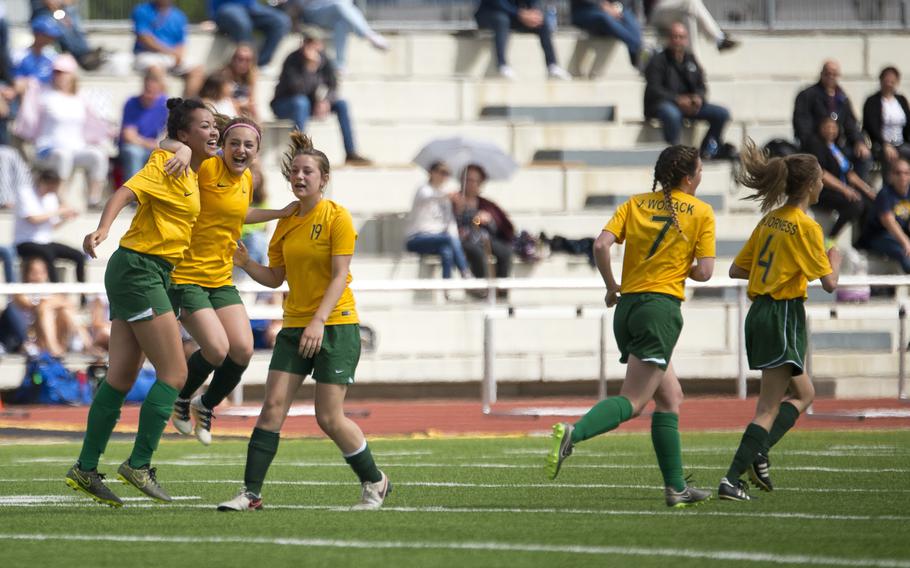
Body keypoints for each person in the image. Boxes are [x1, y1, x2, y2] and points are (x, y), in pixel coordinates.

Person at [218, 131, 390, 512]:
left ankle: (375, 481)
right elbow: (276, 278)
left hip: (335, 326)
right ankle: (250, 493)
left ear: (323, 178)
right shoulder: (285, 222)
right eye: (294, 171)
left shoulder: (337, 217)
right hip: (296, 326)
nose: (299, 177)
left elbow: (338, 276)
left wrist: (317, 322)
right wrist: (247, 264)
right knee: (272, 407)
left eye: (307, 171)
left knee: (329, 417)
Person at [64, 98, 219, 508]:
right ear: (184, 135)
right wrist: (102, 229)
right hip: (139, 270)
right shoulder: (171, 163)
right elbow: (126, 190)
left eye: (214, 125)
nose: (214, 131)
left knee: (121, 377)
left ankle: (85, 467)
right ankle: (139, 464)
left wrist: (180, 146)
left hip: (147, 272)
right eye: (205, 126)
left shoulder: (190, 166)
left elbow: (176, 148)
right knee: (174, 372)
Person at [545, 144, 715, 508]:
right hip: (660, 309)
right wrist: (679, 264)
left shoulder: (635, 204)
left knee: (670, 397)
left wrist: (611, 285)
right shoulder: (701, 212)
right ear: (688, 177)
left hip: (628, 308)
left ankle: (676, 488)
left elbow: (601, 245)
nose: (702, 177)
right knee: (635, 401)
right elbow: (705, 271)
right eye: (700, 171)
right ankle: (574, 433)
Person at [159, 116, 295, 446]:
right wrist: (183, 151)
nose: (241, 150)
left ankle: (204, 404)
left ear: (257, 152)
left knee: (243, 350)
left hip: (220, 278)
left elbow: (239, 213)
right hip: (186, 278)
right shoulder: (206, 166)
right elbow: (164, 145)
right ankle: (182, 397)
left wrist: (279, 213)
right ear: (223, 146)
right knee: (217, 349)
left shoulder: (246, 177)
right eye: (234, 143)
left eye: (249, 145)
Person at [718, 139, 841, 501]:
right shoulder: (806, 227)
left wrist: (777, 271)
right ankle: (731, 478)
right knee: (768, 407)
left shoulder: (771, 219)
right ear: (808, 185)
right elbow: (830, 284)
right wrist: (834, 258)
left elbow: (737, 268)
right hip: (782, 313)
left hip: (760, 313)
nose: (823, 184)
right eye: (820, 179)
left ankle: (758, 451)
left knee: (804, 393)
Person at [13, 54, 112, 208]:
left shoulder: (80, 97)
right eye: (56, 72)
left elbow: (94, 121)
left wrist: (106, 131)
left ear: (72, 75)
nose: (58, 75)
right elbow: (28, 118)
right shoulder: (42, 93)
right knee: (63, 156)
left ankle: (94, 199)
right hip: (47, 149)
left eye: (63, 72)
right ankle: (61, 200)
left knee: (98, 156)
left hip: (77, 148)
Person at [271, 30, 371, 165]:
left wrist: (325, 101)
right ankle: (300, 150)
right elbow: (297, 89)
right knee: (301, 102)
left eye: (314, 43)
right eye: (308, 42)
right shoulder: (292, 60)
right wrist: (310, 67)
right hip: (284, 104)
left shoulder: (324, 59)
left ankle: (350, 152)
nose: (311, 47)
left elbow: (333, 85)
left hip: (310, 103)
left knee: (342, 104)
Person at [644, 21, 731, 159]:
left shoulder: (690, 59)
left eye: (681, 37)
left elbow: (701, 86)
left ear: (686, 39)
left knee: (721, 113)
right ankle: (674, 156)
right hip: (664, 105)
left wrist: (698, 99)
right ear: (669, 39)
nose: (678, 40)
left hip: (689, 106)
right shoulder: (658, 60)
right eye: (675, 36)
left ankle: (707, 151)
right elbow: (654, 89)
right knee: (672, 114)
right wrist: (677, 100)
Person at [794, 60, 872, 182]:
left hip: (837, 145)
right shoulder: (808, 95)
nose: (831, 77)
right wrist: (819, 141)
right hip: (815, 146)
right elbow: (802, 125)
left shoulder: (842, 98)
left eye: (834, 74)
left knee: (863, 157)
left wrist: (859, 141)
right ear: (821, 74)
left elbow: (850, 124)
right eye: (827, 73)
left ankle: (857, 191)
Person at [806, 116, 875, 240]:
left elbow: (850, 174)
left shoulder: (837, 148)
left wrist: (868, 190)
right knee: (856, 204)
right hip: (823, 191)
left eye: (833, 127)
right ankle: (831, 238)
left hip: (839, 189)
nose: (831, 130)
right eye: (827, 127)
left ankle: (864, 241)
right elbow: (822, 174)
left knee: (870, 203)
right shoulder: (815, 145)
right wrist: (845, 189)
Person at [11, 256, 94, 358]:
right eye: (34, 272)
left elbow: (68, 304)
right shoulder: (21, 291)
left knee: (65, 311)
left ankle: (86, 344)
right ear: (26, 274)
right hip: (33, 334)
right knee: (44, 308)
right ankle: (54, 348)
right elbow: (28, 304)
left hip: (55, 332)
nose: (38, 276)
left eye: (42, 272)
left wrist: (49, 303)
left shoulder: (50, 289)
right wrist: (50, 303)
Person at [14, 168, 84, 283]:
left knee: (78, 256)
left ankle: (83, 295)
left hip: (45, 242)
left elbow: (52, 225)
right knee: (48, 253)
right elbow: (33, 219)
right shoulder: (25, 193)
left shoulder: (51, 198)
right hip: (25, 242)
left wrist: (66, 218)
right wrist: (59, 211)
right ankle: (55, 290)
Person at [282, 0, 389, 73]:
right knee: (339, 5)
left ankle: (340, 64)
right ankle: (369, 35)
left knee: (341, 22)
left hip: (334, 13)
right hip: (311, 13)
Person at [452, 164, 514, 291]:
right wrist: (461, 212)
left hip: (484, 238)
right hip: (465, 239)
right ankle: (481, 290)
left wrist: (489, 220)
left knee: (505, 252)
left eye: (474, 181)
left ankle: (501, 291)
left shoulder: (486, 204)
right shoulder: (454, 200)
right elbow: (451, 224)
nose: (470, 184)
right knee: (478, 253)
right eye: (467, 180)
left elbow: (500, 226)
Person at [474, 0, 571, 80]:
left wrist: (532, 13)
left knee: (542, 23)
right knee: (502, 21)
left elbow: (532, 3)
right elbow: (498, 3)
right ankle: (502, 65)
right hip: (490, 13)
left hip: (515, 15)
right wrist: (520, 14)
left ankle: (552, 66)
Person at [404, 161, 469, 280]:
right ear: (431, 172)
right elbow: (427, 197)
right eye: (442, 172)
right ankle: (465, 272)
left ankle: (446, 287)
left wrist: (459, 207)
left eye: (447, 173)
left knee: (446, 251)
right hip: (417, 238)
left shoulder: (445, 197)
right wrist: (448, 195)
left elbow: (450, 223)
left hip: (439, 239)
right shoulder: (423, 189)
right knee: (449, 240)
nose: (444, 176)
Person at [131, 0, 205, 98]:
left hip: (171, 55)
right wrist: (169, 52)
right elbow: (144, 38)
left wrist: (179, 55)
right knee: (156, 71)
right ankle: (165, 108)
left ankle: (186, 108)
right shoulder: (142, 10)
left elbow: (181, 41)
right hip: (147, 54)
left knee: (197, 70)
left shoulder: (179, 15)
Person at [856, 158, 910, 272]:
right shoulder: (885, 194)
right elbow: (888, 221)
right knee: (903, 252)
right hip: (877, 236)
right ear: (891, 176)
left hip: (896, 236)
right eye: (898, 173)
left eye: (906, 173)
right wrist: (905, 241)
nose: (902, 177)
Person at [119, 67, 169, 181]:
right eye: (149, 80)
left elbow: (169, 136)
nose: (150, 85)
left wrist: (157, 145)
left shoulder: (165, 105)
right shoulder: (132, 102)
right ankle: (134, 194)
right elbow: (128, 136)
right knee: (133, 152)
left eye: (155, 80)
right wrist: (151, 144)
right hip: (136, 147)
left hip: (154, 147)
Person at [209, 0, 292, 67]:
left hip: (251, 6)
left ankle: (259, 65)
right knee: (242, 23)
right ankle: (244, 65)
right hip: (227, 7)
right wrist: (213, 18)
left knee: (281, 21)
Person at [29, 1, 105, 71]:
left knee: (71, 17)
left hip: (59, 10)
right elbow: (50, 3)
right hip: (45, 12)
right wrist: (61, 14)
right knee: (66, 27)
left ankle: (84, 53)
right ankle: (83, 55)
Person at [863, 66, 910, 174]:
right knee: (890, 155)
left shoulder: (901, 99)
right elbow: (871, 126)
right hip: (880, 144)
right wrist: (885, 144)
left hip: (901, 143)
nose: (889, 82)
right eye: (887, 79)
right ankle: (890, 187)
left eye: (892, 79)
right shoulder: (872, 101)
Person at [570, 0, 643, 69]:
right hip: (585, 10)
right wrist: (603, 5)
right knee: (604, 18)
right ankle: (638, 50)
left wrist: (616, 7)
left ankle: (637, 54)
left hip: (612, 9)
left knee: (629, 19)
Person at [645, 0, 738, 52]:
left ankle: (692, 63)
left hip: (675, 8)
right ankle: (718, 38)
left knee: (690, 12)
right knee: (690, 3)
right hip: (656, 10)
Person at [220, 44, 260, 120]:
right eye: (240, 59)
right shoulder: (225, 74)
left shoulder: (252, 74)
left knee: (253, 107)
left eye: (248, 60)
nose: (243, 63)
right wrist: (241, 104)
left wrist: (247, 105)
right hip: (227, 105)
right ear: (233, 59)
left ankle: (259, 129)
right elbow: (225, 98)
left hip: (243, 105)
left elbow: (252, 98)